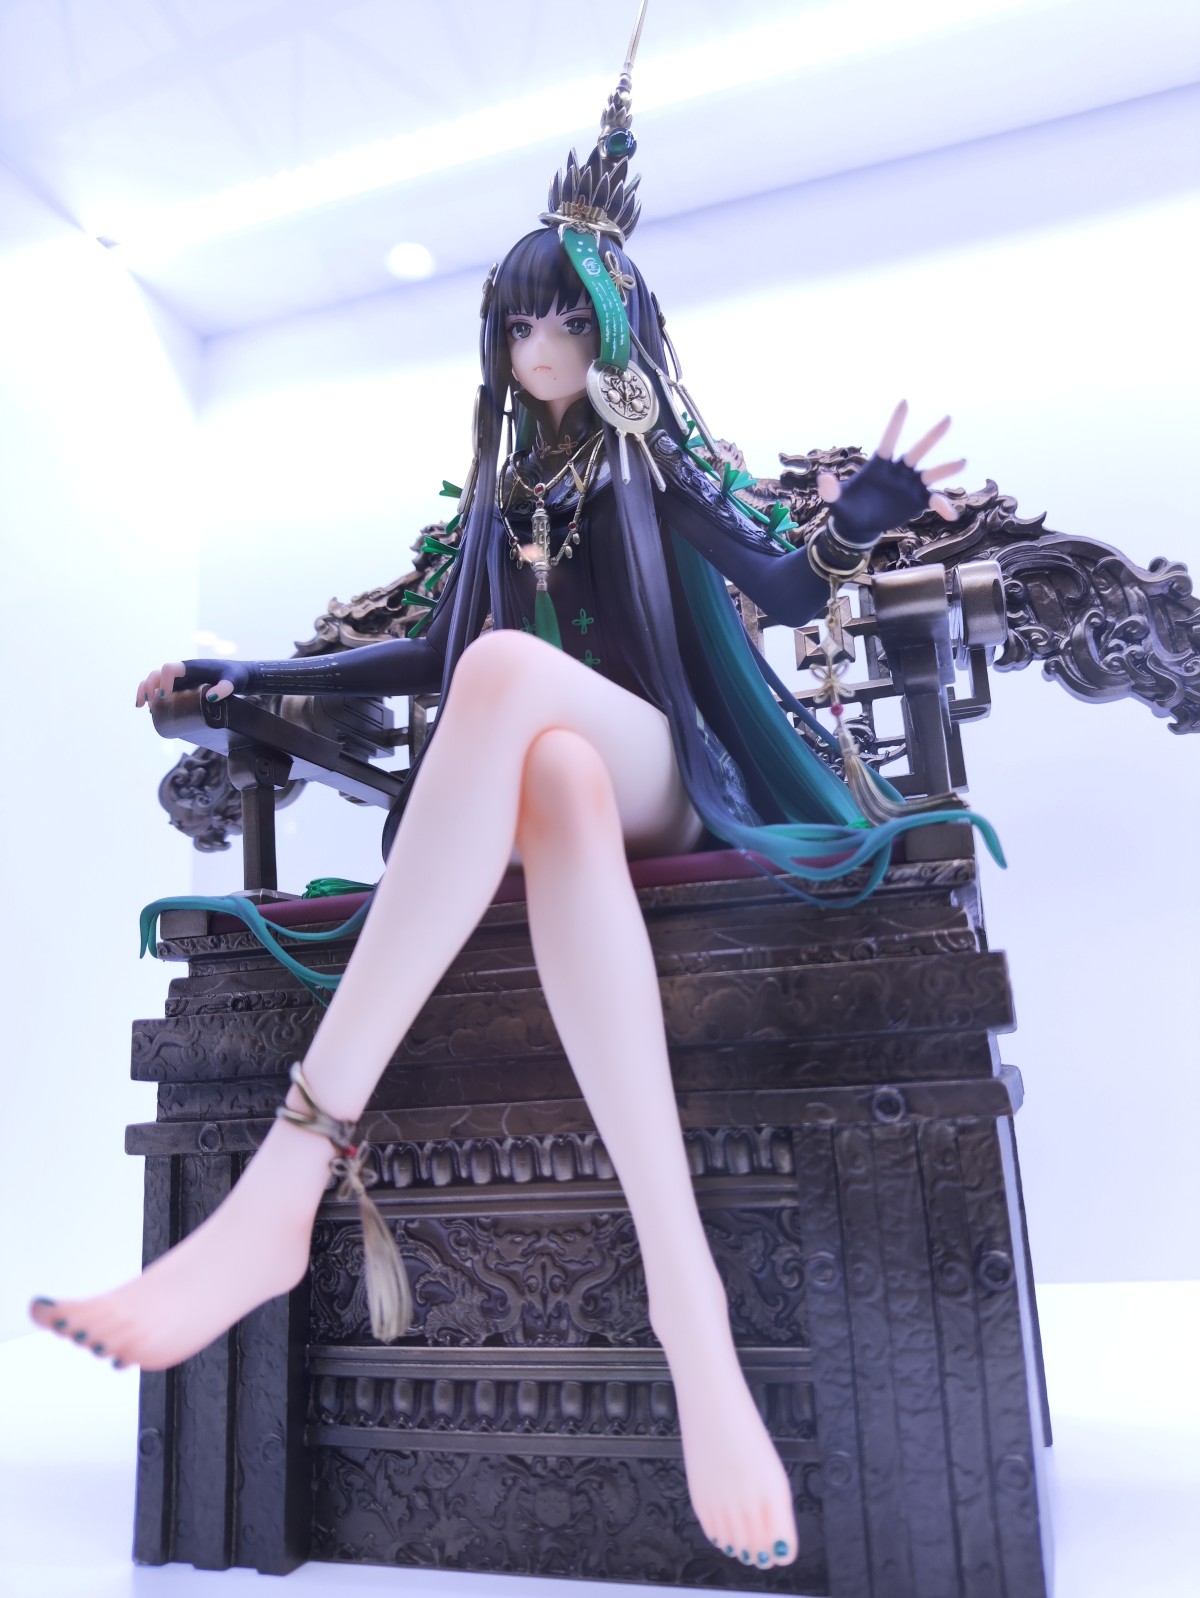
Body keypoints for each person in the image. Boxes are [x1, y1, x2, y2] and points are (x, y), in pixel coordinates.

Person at [29, 18, 987, 1575]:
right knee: (536, 755)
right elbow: (422, 645)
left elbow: (770, 583)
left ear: (612, 326)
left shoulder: (651, 457)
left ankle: (289, 1174)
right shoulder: (493, 491)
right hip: (564, 782)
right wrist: (248, 674)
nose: (540, 347)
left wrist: (855, 522)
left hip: (672, 772)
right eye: (519, 323)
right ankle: (691, 1312)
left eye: (564, 320)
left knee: (517, 693)